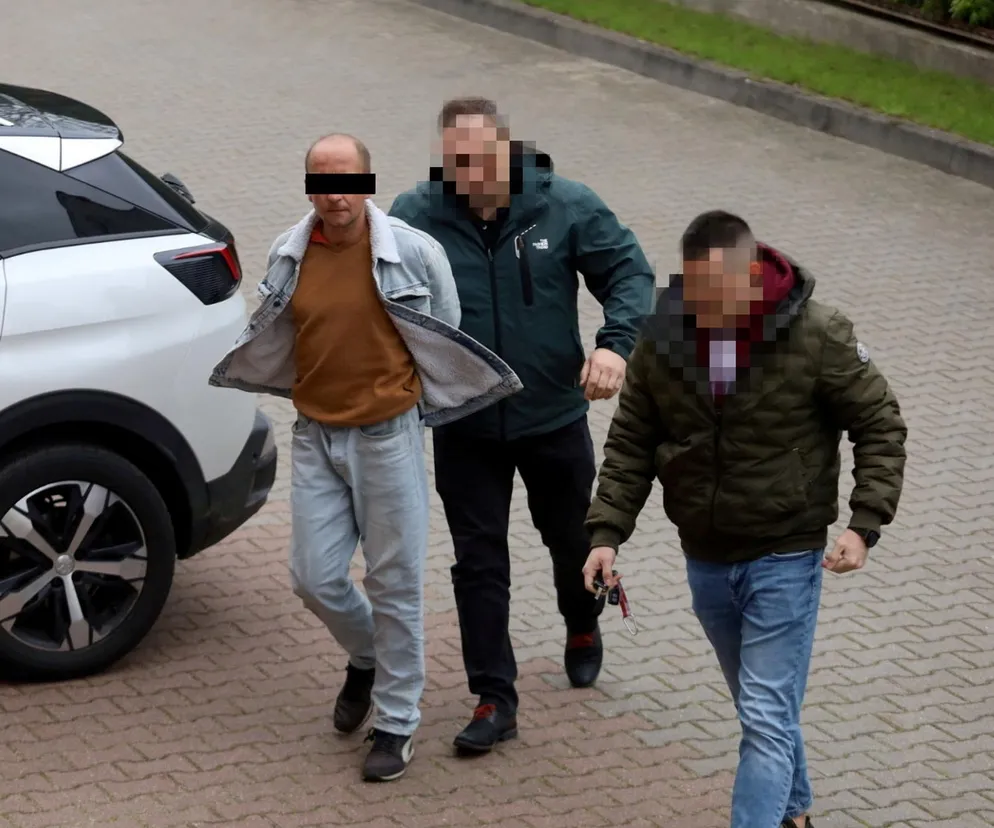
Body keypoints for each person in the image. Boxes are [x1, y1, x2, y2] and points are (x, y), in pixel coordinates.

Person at [210, 134, 520, 783]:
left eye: (348, 182)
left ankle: (397, 722)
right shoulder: (290, 251)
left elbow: (445, 330)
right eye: (323, 184)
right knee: (313, 577)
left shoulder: (413, 251)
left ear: (368, 184)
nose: (336, 197)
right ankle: (369, 656)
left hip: (388, 437)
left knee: (394, 584)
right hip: (315, 435)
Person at [584, 210, 908, 828]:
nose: (706, 310)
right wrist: (607, 534)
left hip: (785, 553)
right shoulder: (663, 336)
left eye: (720, 294)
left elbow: (880, 424)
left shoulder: (817, 332)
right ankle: (796, 812)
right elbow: (631, 442)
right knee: (764, 710)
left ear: (752, 275)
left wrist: (864, 524)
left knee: (763, 715)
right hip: (705, 557)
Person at [389, 98, 655, 754]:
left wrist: (615, 346)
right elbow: (380, 295)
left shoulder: (563, 205)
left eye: (482, 157)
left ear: (508, 151)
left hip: (553, 416)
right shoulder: (416, 216)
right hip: (465, 423)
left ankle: (582, 623)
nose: (471, 172)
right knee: (478, 563)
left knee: (572, 544)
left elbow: (630, 273)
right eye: (457, 161)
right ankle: (494, 698)